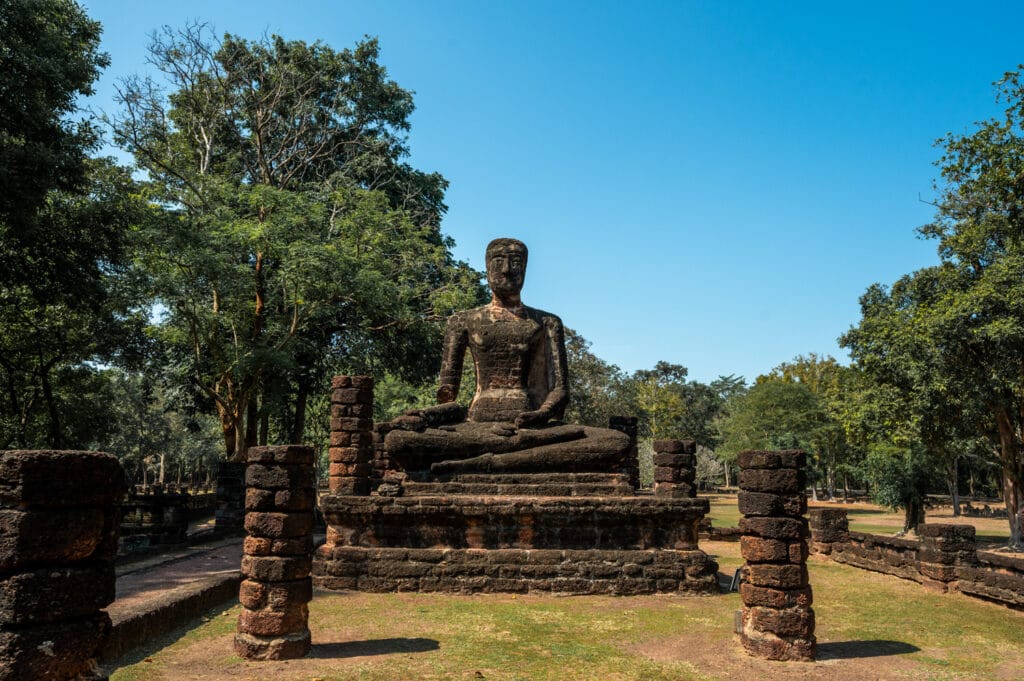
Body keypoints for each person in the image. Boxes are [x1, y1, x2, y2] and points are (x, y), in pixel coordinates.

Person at [384, 238, 630, 473]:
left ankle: (484, 463)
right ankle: (508, 458)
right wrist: (425, 416)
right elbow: (448, 396)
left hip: (532, 429)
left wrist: (541, 414)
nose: (506, 270)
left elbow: (560, 390)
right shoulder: (462, 321)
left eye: (515, 262)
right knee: (399, 441)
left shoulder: (547, 322)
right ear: (487, 268)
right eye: (498, 262)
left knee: (615, 441)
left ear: (525, 269)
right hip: (477, 427)